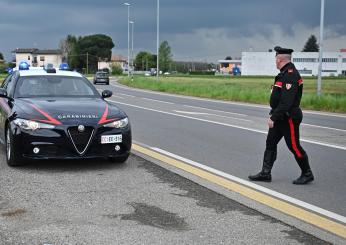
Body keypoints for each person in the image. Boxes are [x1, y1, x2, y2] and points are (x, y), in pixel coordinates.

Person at [248, 46, 314, 185]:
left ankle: (307, 173)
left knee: (294, 146)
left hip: (288, 117)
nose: (275, 62)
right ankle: (266, 173)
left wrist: (273, 117)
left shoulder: (290, 75)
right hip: (280, 116)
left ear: (279, 59)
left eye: (276, 59)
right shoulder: (283, 73)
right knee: (270, 143)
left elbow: (286, 102)